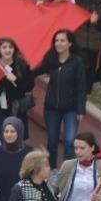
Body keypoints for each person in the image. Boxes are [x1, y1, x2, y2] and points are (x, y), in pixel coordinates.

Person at [34, 30, 87, 167]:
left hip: (71, 108)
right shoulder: (51, 59)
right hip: (51, 108)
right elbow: (35, 72)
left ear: (70, 43)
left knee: (69, 140)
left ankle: (66, 171)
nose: (58, 43)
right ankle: (51, 170)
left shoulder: (77, 62)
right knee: (52, 140)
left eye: (62, 40)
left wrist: (81, 109)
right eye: (56, 40)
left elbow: (82, 86)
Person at [0, 37, 35, 133]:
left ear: (14, 49)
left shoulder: (22, 66)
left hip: (15, 109)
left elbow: (29, 85)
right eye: (4, 47)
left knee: (14, 137)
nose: (7, 50)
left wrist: (16, 80)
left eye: (10, 47)